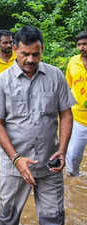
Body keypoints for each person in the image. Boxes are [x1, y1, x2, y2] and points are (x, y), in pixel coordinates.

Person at [0, 26, 75, 225]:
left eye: (36, 54)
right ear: (15, 50)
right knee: (8, 218)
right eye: (25, 54)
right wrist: (16, 159)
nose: (30, 59)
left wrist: (62, 150)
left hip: (50, 163)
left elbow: (66, 114)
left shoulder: (56, 76)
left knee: (53, 218)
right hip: (14, 165)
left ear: (42, 50)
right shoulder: (2, 82)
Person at [65, 31, 87, 177]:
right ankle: (73, 182)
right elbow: (67, 86)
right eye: (79, 44)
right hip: (79, 118)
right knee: (72, 156)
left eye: (85, 44)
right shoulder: (73, 61)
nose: (81, 47)